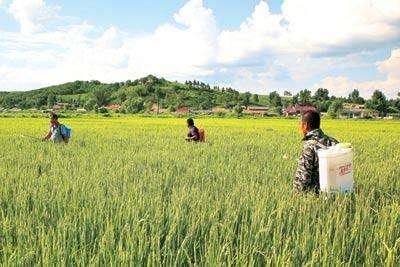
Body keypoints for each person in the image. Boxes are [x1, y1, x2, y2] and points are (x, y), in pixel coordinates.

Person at [293, 110, 338, 194]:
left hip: (317, 196)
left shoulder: (309, 147)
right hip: (338, 192)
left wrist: (295, 197)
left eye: (301, 124)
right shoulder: (334, 142)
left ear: (305, 125)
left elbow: (303, 178)